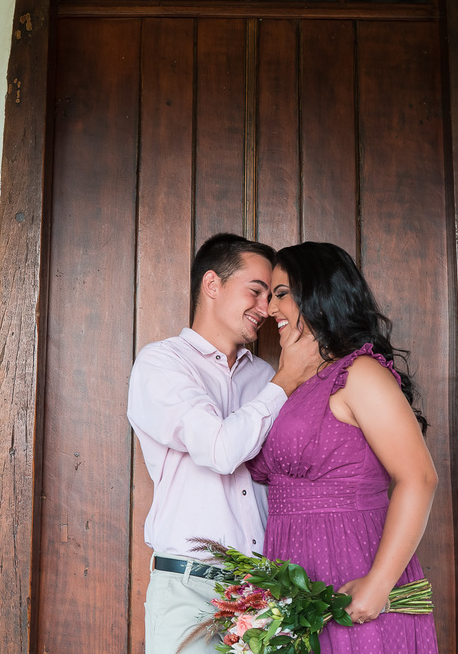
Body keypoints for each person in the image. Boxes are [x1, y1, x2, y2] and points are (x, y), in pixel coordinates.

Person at [127, 233, 321, 654]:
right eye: (256, 291)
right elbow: (220, 450)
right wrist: (287, 380)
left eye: (272, 296)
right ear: (212, 284)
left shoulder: (265, 378)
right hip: (189, 591)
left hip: (266, 595)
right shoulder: (162, 363)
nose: (266, 308)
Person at [249, 241, 440, 653]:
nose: (269, 308)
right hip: (293, 574)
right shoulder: (295, 383)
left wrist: (378, 584)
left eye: (281, 294)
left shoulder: (360, 373)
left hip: (352, 566)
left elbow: (419, 478)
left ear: (318, 295)